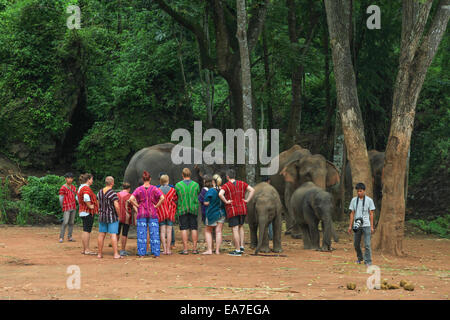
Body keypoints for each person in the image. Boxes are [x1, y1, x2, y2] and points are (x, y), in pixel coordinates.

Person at [128, 171, 165, 258]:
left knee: (142, 233)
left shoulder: (139, 189)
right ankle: (156, 253)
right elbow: (162, 198)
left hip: (141, 213)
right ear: (150, 179)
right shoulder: (154, 188)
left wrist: (138, 205)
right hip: (152, 213)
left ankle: (141, 254)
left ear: (143, 179)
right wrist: (156, 206)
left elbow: (130, 199)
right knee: (154, 233)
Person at [219, 169, 255, 256]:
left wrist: (226, 201)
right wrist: (247, 200)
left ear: (227, 177)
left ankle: (238, 250)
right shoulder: (242, 183)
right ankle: (242, 246)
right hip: (242, 208)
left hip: (233, 209)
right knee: (241, 227)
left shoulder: (226, 185)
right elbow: (252, 190)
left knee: (235, 229)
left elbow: (220, 194)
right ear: (234, 176)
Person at [348, 182, 376, 266]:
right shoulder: (353, 200)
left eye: (360, 191)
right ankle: (360, 258)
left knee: (367, 244)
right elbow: (352, 213)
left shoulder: (369, 200)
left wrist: (371, 226)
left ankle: (368, 261)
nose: (359, 193)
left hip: (366, 225)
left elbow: (371, 214)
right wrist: (350, 226)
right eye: (358, 191)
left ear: (364, 191)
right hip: (357, 225)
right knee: (356, 244)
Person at [175, 168, 200, 255]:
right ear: (190, 175)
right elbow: (197, 193)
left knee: (184, 228)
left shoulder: (178, 185)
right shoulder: (196, 185)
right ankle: (194, 249)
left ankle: (185, 249)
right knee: (194, 228)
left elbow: (176, 196)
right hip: (193, 209)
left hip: (182, 209)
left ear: (182, 175)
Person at [97, 176, 121, 259]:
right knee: (113, 235)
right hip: (111, 216)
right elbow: (116, 206)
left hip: (102, 216)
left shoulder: (99, 192)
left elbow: (98, 203)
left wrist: (99, 211)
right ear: (112, 183)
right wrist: (119, 215)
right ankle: (115, 254)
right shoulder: (113, 193)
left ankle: (99, 254)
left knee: (101, 234)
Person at [202, 174, 226, 255]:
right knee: (218, 232)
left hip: (212, 213)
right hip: (222, 213)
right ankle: (217, 250)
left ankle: (209, 250)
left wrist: (210, 203)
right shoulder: (223, 189)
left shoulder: (211, 191)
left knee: (208, 231)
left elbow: (205, 202)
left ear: (213, 181)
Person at [77, 173, 98, 255]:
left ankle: (85, 249)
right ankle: (87, 249)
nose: (92, 181)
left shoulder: (80, 187)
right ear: (88, 180)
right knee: (87, 231)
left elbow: (77, 198)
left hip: (82, 211)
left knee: (85, 230)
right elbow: (86, 197)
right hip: (87, 212)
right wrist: (90, 205)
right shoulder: (86, 188)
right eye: (92, 179)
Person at [157, 174, 177, 255]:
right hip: (170, 212)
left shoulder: (157, 190)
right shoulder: (172, 190)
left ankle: (164, 249)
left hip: (161, 212)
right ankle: (168, 250)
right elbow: (175, 199)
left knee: (162, 231)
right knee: (169, 231)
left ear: (161, 181)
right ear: (168, 181)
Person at [117, 182, 135, 257]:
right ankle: (122, 250)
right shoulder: (130, 196)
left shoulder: (117, 195)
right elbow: (133, 206)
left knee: (116, 233)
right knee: (124, 233)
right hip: (126, 217)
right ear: (129, 188)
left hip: (117, 216)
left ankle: (115, 249)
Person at [58, 172, 77, 243]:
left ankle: (70, 236)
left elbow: (75, 197)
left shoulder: (73, 187)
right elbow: (61, 198)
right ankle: (61, 237)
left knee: (71, 222)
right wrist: (62, 206)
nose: (70, 179)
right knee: (65, 222)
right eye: (68, 178)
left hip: (73, 206)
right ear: (66, 179)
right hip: (66, 207)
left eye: (71, 178)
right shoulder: (63, 188)